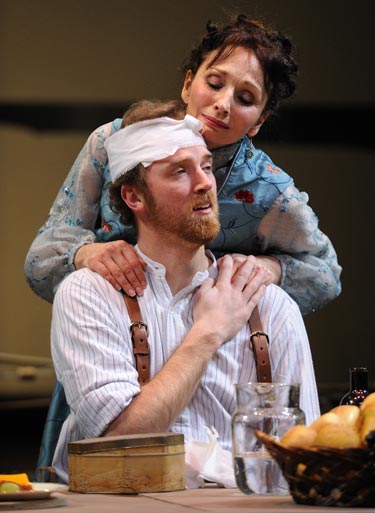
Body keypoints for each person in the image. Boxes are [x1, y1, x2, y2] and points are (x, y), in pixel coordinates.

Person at [50, 100, 320, 483]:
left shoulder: (269, 304)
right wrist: (208, 332)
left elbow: (306, 460)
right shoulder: (89, 294)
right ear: (134, 198)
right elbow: (117, 442)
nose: (204, 182)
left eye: (206, 166)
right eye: (180, 171)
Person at [25, 14, 342, 316]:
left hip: (213, 353)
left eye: (245, 99)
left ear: (260, 120)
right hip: (108, 333)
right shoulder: (115, 143)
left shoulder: (266, 188)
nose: (223, 104)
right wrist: (84, 254)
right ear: (189, 83)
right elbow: (40, 258)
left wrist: (267, 268)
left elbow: (325, 272)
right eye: (215, 83)